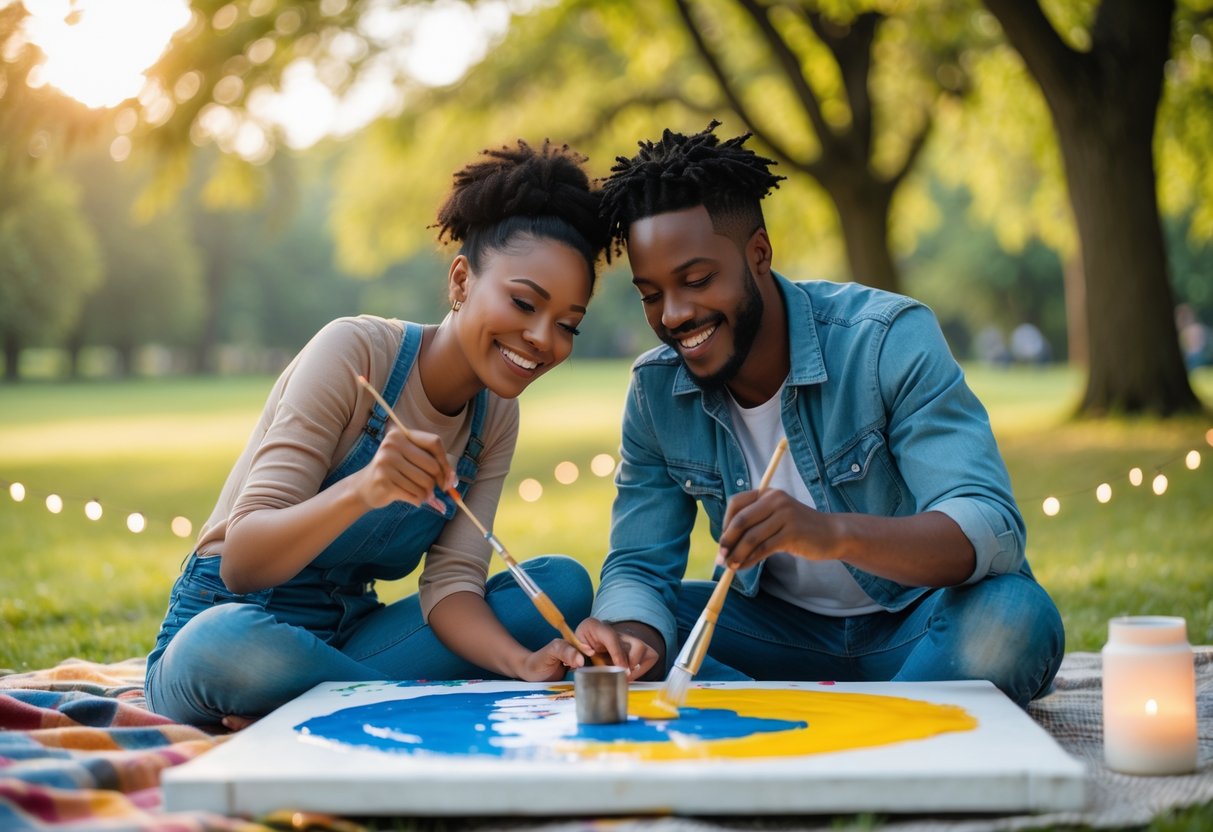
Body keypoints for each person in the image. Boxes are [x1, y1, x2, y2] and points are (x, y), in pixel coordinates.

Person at [146, 140, 652, 730]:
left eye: (568, 325)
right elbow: (243, 561)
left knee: (561, 582)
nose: (543, 338)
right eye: (522, 302)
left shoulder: (495, 416)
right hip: (233, 622)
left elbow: (453, 584)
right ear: (461, 280)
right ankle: (388, 699)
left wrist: (522, 661)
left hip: (350, 637)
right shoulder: (357, 354)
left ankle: (315, 702)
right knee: (223, 644)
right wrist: (364, 488)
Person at [581, 123, 1064, 707]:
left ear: (758, 253)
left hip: (912, 624)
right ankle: (893, 727)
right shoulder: (655, 390)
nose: (675, 313)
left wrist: (829, 533)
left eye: (698, 280)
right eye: (651, 294)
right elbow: (639, 565)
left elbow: (989, 525)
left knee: (1013, 616)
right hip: (773, 633)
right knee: (622, 622)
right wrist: (632, 641)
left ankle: (795, 722)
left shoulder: (886, 339)